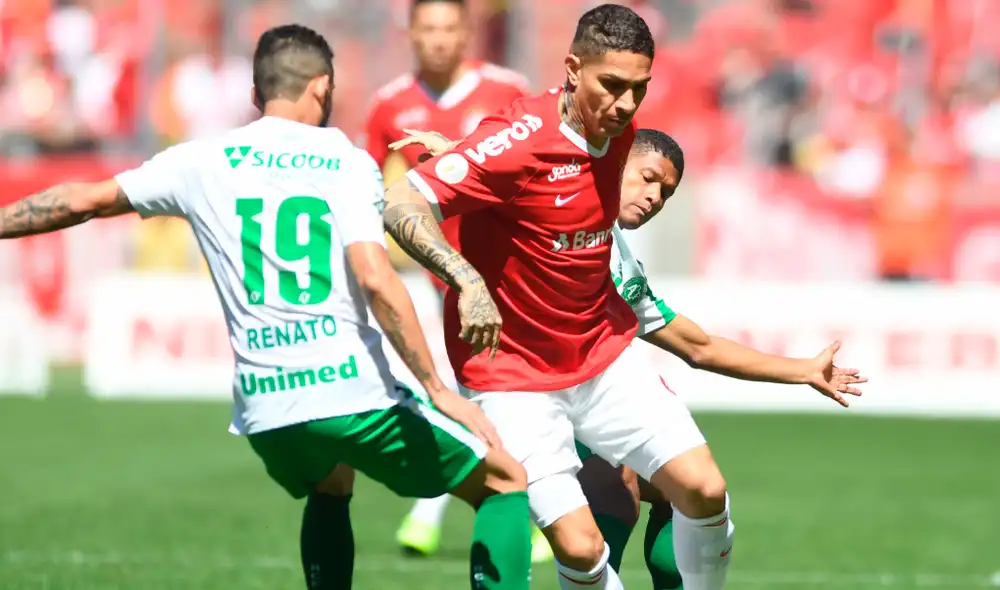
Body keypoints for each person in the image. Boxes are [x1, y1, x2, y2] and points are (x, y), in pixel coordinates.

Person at [0, 24, 532, 590]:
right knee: (505, 481)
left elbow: (81, 200)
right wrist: (438, 388)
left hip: (264, 409)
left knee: (331, 480)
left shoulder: (201, 159)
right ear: (323, 87)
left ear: (256, 94)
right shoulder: (345, 160)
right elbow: (375, 278)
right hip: (349, 394)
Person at [382, 4, 865, 588]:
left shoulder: (621, 139)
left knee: (704, 488)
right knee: (582, 548)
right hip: (512, 379)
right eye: (612, 85)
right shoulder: (522, 138)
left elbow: (692, 342)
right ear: (572, 69)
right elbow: (403, 202)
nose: (626, 104)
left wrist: (802, 371)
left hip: (600, 361)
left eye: (639, 89)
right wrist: (466, 276)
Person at [361, 0, 546, 560]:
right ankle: (524, 513)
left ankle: (479, 510)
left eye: (448, 27)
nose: (439, 39)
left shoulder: (506, 91)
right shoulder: (388, 105)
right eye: (429, 28)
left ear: (466, 33)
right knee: (455, 389)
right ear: (411, 34)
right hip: (432, 273)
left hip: (502, 270)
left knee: (498, 391)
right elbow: (375, 188)